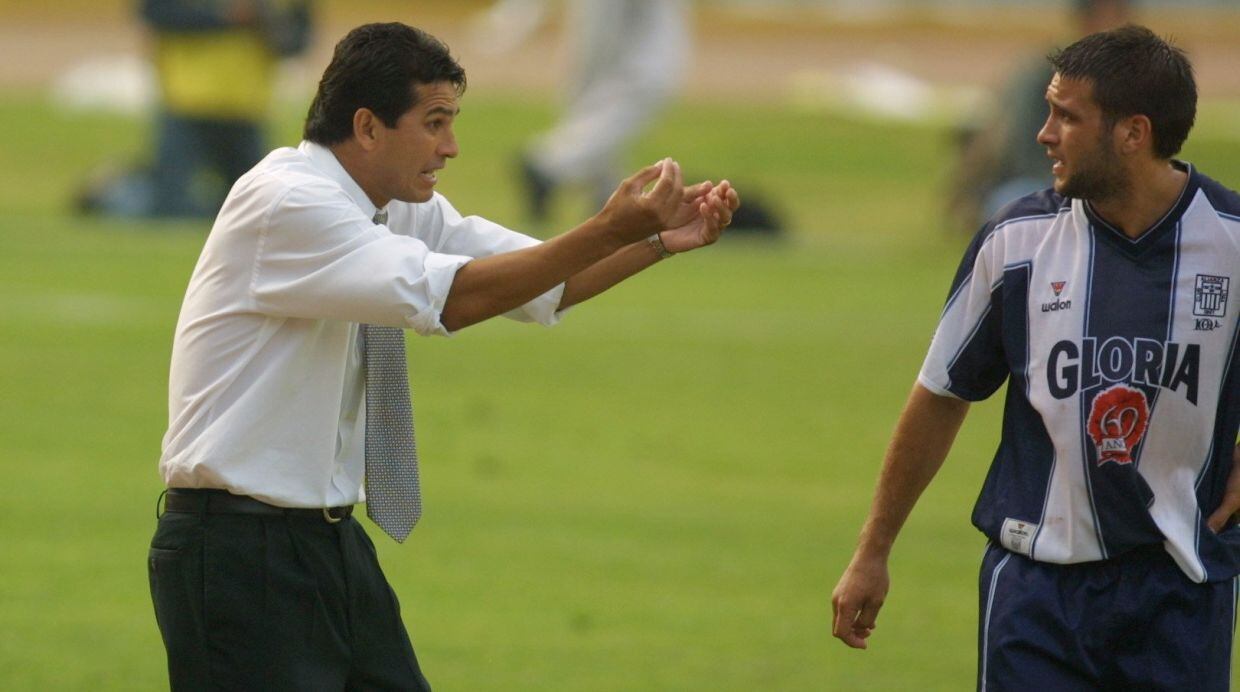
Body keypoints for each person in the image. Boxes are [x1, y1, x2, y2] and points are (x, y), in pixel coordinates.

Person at [147, 22, 738, 690]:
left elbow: (542, 281)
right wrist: (607, 227)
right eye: (434, 124)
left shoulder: (392, 205)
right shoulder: (288, 201)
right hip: (237, 553)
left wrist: (653, 241)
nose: (450, 147)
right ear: (367, 127)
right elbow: (453, 299)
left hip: (327, 544)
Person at [832, 25, 1240, 690]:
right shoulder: (1016, 242)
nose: (1044, 134)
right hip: (1036, 597)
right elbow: (940, 394)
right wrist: (872, 551)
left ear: (1133, 133)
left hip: (1179, 595)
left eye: (1067, 117)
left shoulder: (1231, 243)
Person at [78, 0, 313, 218]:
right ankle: (113, 195)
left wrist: (265, 22)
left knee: (255, 208)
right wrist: (227, 17)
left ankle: (125, 187)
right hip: (187, 104)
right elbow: (156, 13)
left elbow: (296, 41)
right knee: (172, 206)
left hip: (245, 109)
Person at [946, 0, 1130, 232]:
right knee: (1019, 207)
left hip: (1088, 187)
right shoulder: (1043, 73)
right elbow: (1024, 152)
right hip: (1031, 183)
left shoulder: (1126, 78)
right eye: (1109, 18)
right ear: (1087, 20)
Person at [511, 0, 691, 221]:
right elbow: (598, 30)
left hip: (634, 54)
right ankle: (550, 165)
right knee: (626, 103)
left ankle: (607, 194)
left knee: (610, 115)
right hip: (633, 65)